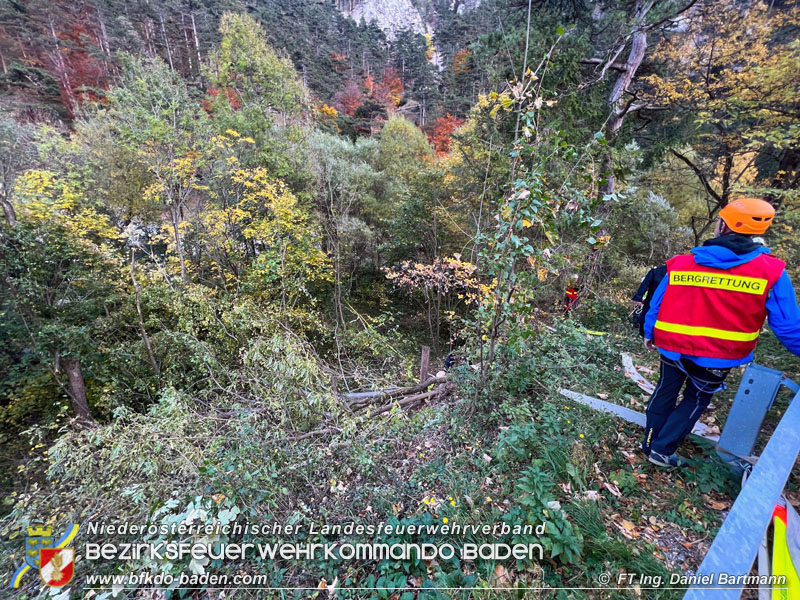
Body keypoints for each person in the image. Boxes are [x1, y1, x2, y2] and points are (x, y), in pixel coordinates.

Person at [641, 197, 800, 468]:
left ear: (723, 225)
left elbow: (657, 301)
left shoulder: (683, 262)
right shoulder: (771, 272)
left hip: (672, 345)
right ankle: (661, 450)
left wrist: (649, 332)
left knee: (665, 390)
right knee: (696, 398)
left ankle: (650, 443)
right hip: (719, 356)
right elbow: (788, 326)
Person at [632, 264, 667, 337]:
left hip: (652, 300)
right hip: (667, 302)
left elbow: (644, 285)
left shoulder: (655, 270)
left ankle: (644, 335)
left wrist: (638, 297)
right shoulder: (679, 273)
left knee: (646, 317)